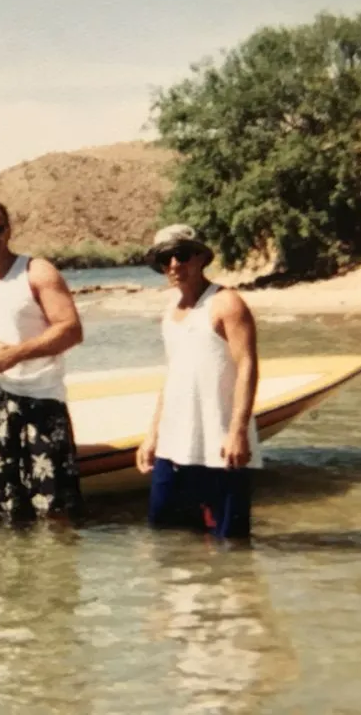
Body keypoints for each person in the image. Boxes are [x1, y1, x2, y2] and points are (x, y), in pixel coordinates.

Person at [0, 199, 85, 521]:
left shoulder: (36, 272)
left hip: (38, 401)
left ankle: (57, 570)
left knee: (53, 507)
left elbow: (72, 330)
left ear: (8, 230)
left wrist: (19, 353)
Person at [135, 224, 261, 540]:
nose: (174, 265)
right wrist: (152, 435)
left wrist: (237, 432)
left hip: (219, 445)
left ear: (200, 258)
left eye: (182, 255)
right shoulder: (170, 312)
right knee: (167, 539)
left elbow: (247, 365)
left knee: (231, 546)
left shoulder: (226, 303)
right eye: (166, 259)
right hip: (174, 445)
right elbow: (172, 376)